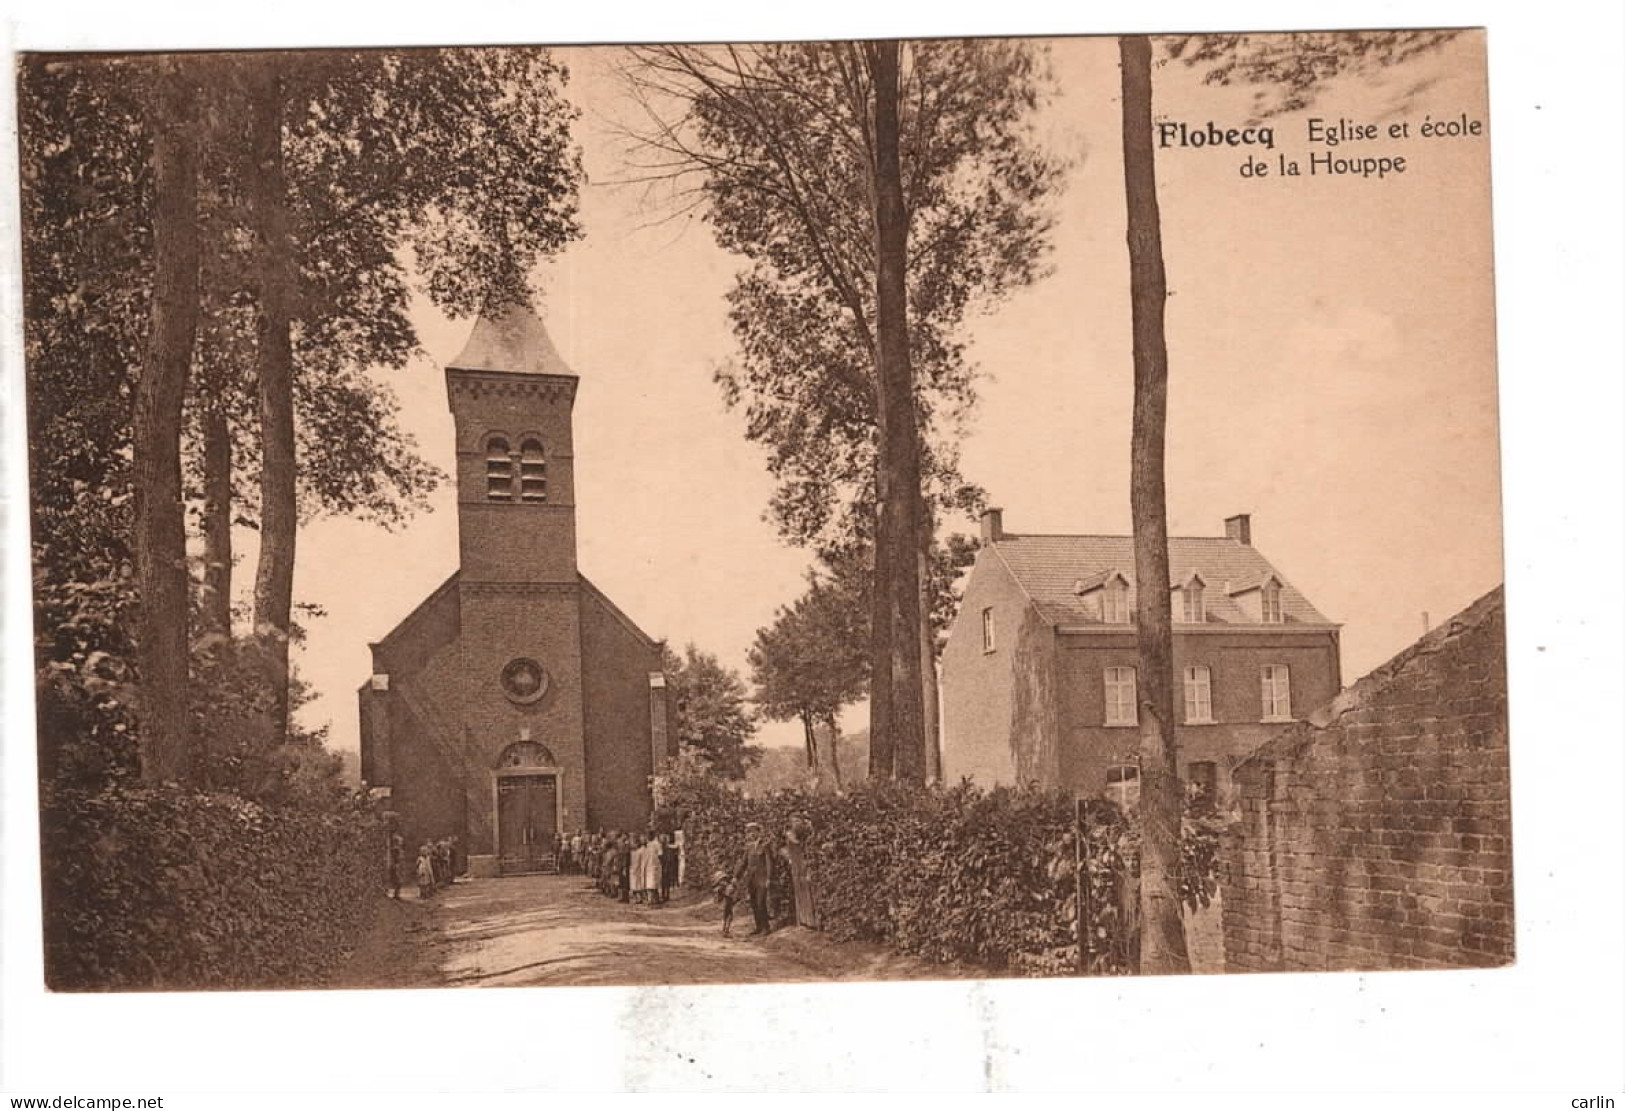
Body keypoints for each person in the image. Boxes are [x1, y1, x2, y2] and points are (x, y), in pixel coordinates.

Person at [735, 821, 774, 936]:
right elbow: (743, 863)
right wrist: (736, 876)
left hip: (762, 879)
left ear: (758, 832)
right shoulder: (749, 847)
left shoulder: (765, 845)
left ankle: (766, 928)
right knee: (753, 903)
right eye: (748, 832)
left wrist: (769, 878)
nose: (750, 834)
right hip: (751, 880)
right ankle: (758, 927)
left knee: (761, 902)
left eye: (753, 832)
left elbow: (769, 863)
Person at [712, 869, 739, 937]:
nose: (723, 882)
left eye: (724, 880)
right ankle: (725, 930)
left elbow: (734, 894)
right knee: (728, 916)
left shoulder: (728, 886)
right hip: (727, 902)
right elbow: (721, 896)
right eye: (721, 881)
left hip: (729, 902)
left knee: (728, 916)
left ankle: (725, 929)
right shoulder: (722, 888)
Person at [386, 832, 404, 900]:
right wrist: (396, 865)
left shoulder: (398, 849)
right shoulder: (396, 849)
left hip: (399, 865)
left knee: (399, 881)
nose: (401, 843)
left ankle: (397, 894)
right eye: (400, 841)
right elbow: (395, 858)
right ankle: (396, 895)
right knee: (397, 880)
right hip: (397, 866)